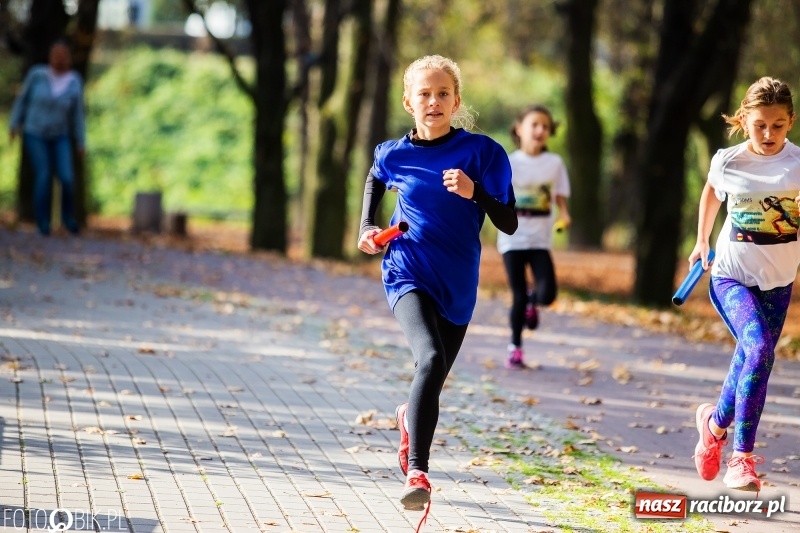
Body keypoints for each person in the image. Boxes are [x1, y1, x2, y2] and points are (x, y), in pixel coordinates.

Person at [357, 55, 517, 527]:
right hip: (407, 269)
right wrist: (367, 226)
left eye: (442, 93)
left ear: (456, 101)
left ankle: (410, 417)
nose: (433, 101)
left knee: (434, 377)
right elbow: (375, 178)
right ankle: (418, 475)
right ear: (409, 102)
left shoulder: (483, 154)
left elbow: (508, 222)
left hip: (459, 282)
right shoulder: (393, 152)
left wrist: (475, 193)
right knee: (427, 360)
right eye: (424, 94)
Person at [689, 76, 800, 493]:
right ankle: (742, 459)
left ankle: (713, 425)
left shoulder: (798, 164)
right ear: (743, 120)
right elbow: (711, 195)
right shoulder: (728, 160)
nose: (768, 134)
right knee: (758, 350)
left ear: (790, 121)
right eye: (759, 125)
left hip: (779, 281)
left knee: (755, 357)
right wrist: (702, 240)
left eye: (777, 125)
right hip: (730, 275)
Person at [497, 105, 571, 369]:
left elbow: (559, 194)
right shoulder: (508, 162)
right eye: (534, 125)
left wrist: (564, 213)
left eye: (545, 126)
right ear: (519, 128)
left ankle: (534, 301)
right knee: (517, 294)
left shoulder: (554, 164)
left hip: (540, 240)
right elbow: (496, 196)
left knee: (548, 294)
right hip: (512, 239)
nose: (540, 130)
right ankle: (515, 347)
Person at [9, 40, 86, 236]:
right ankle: (42, 223)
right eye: (56, 55)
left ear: (68, 58)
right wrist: (14, 124)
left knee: (66, 177)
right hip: (35, 132)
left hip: (60, 134)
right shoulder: (37, 75)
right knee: (44, 174)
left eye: (63, 55)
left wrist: (81, 141)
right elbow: (22, 100)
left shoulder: (74, 81)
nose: (59, 59)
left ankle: (68, 218)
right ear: (50, 57)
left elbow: (78, 115)